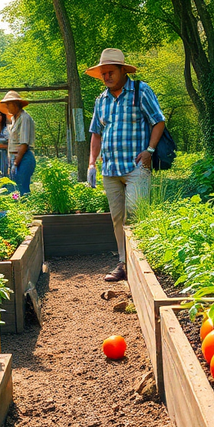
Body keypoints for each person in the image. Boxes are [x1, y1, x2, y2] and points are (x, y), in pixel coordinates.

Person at [86, 48, 166, 282]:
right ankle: (123, 263)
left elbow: (158, 121)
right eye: (103, 74)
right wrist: (92, 164)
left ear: (123, 71)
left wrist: (150, 151)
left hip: (136, 168)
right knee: (118, 219)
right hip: (110, 170)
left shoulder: (140, 91)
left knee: (136, 215)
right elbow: (96, 134)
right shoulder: (101, 100)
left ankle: (142, 264)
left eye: (111, 72)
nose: (107, 77)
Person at [0, 90, 35, 195]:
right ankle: (21, 209)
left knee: (23, 188)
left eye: (9, 105)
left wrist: (16, 163)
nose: (7, 108)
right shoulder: (14, 119)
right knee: (17, 188)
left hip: (24, 157)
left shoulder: (24, 118)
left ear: (15, 104)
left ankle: (27, 209)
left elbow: (24, 143)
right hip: (16, 157)